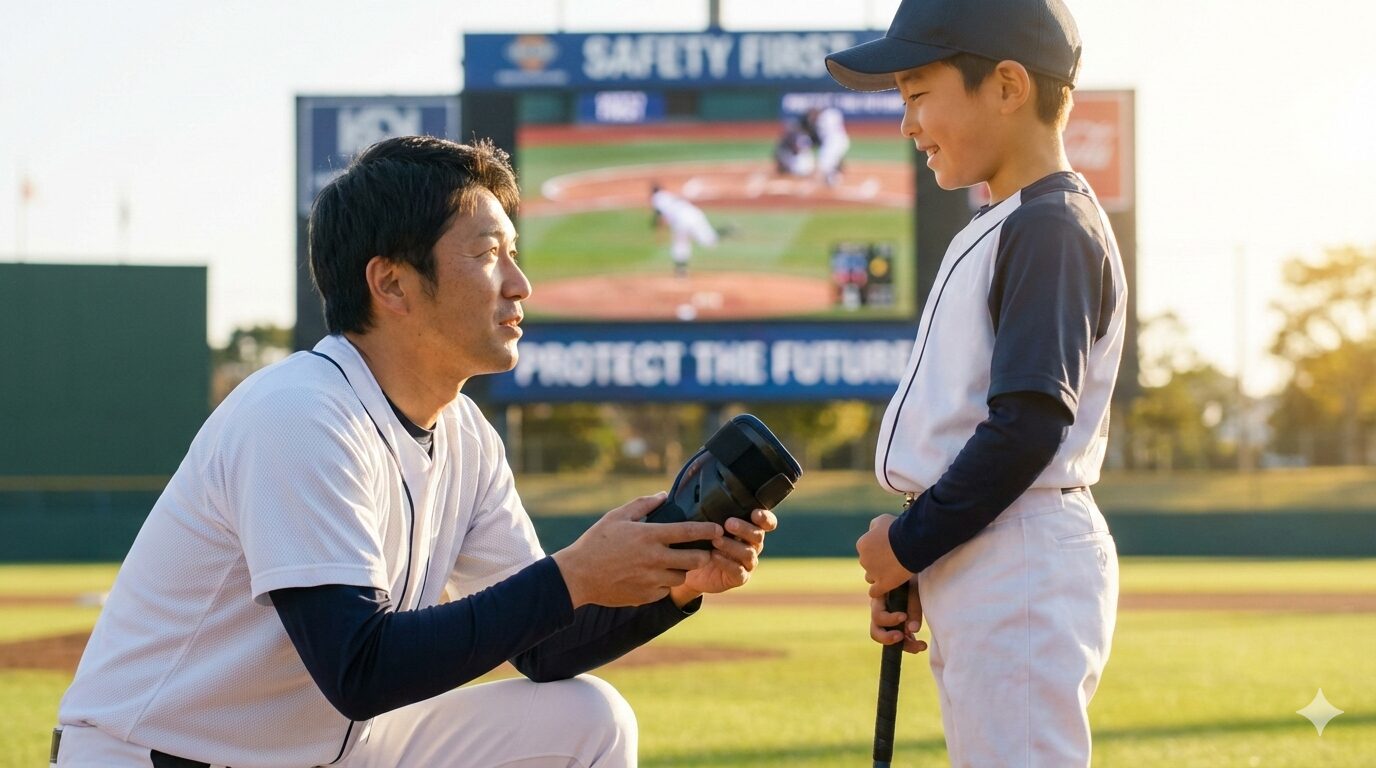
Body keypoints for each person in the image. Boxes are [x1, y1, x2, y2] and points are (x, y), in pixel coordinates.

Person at [55, 136, 777, 768]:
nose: (520, 285)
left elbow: (545, 648)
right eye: (488, 255)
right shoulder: (299, 411)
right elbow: (360, 668)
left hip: (312, 753)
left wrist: (674, 581)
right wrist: (573, 573)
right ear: (392, 283)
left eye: (514, 256)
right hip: (154, 756)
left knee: (587, 719)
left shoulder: (465, 433)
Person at [826, 0, 1126, 765]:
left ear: (1007, 85)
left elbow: (1027, 423)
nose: (906, 122)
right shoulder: (1016, 218)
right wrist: (928, 552)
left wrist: (910, 542)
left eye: (917, 93)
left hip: (1020, 548)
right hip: (995, 543)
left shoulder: (1050, 225)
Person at [650, 184, 720, 277]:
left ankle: (681, 271)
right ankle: (727, 232)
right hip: (694, 214)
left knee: (681, 245)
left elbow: (659, 217)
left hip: (681, 220)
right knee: (709, 241)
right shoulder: (668, 195)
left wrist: (660, 234)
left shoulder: (657, 198)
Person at [805, 106, 850, 187]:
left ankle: (833, 179)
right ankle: (835, 174)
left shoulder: (820, 122)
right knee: (831, 160)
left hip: (833, 142)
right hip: (842, 140)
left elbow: (819, 140)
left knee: (824, 164)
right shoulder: (831, 114)